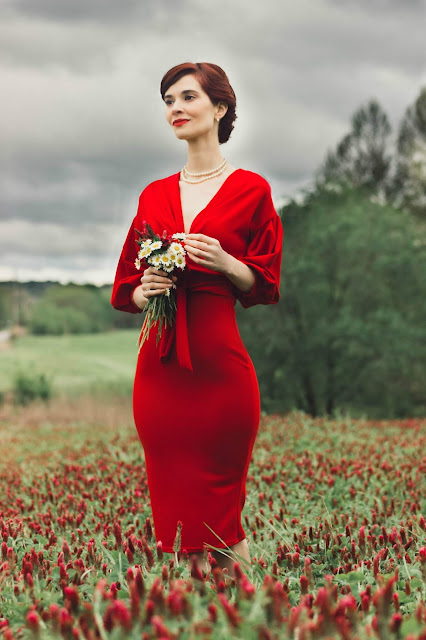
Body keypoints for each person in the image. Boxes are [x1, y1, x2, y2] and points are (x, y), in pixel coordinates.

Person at [111, 62, 283, 577]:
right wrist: (148, 289)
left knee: (221, 522)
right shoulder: (153, 194)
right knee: (177, 527)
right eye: (168, 101)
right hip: (160, 372)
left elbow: (266, 283)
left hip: (220, 371)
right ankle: (193, 622)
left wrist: (227, 264)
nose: (176, 109)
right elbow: (125, 286)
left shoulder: (252, 189)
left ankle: (252, 621)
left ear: (220, 108)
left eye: (187, 97)